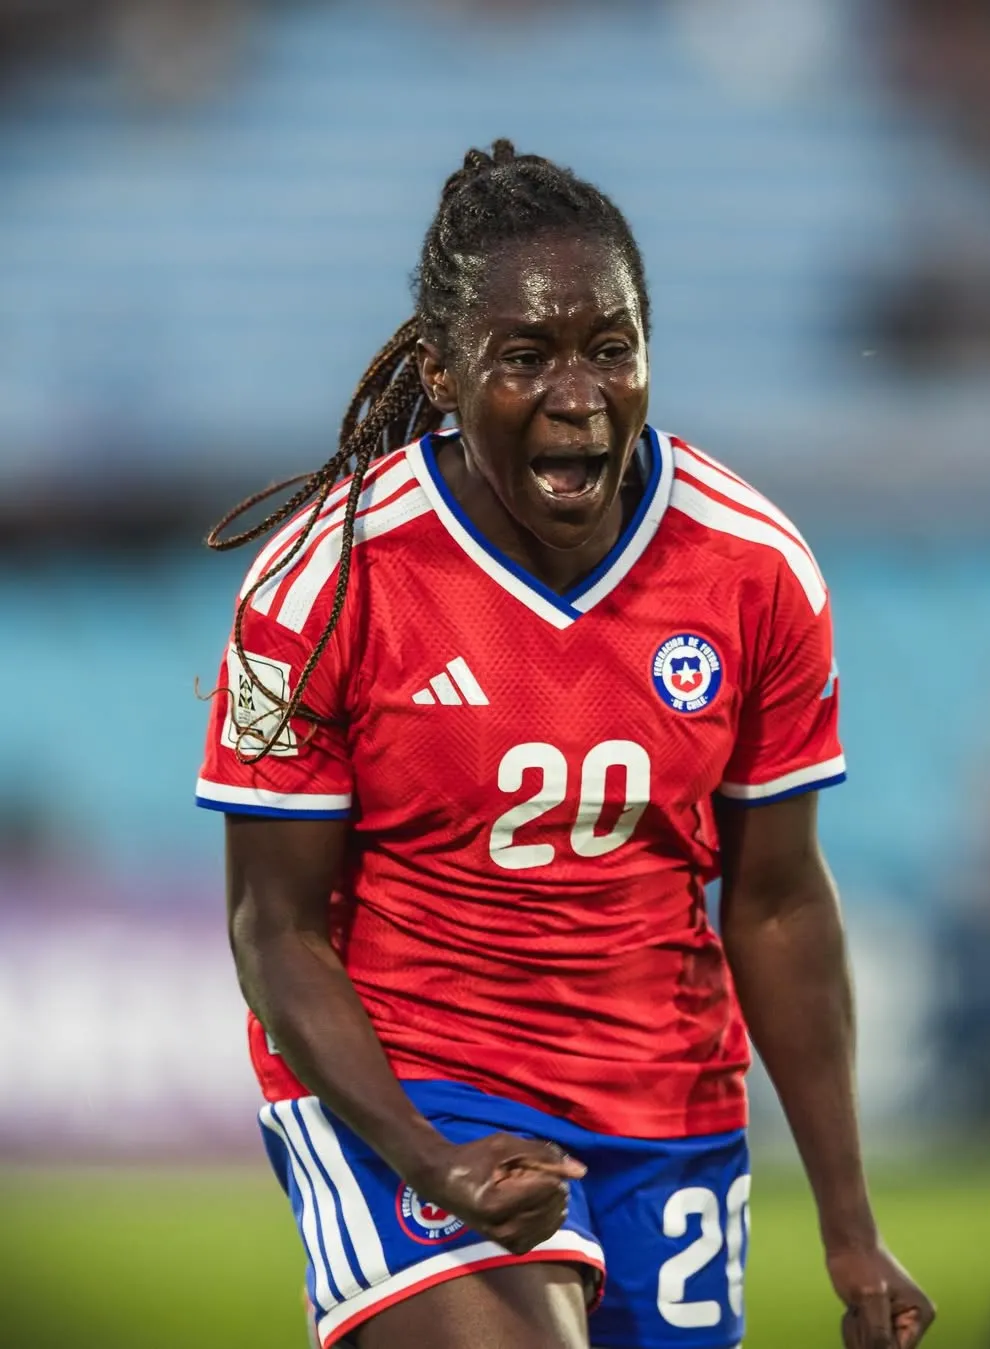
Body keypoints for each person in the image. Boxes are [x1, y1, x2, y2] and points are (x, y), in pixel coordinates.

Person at [196, 140, 935, 1349]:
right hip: (415, 1076)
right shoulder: (323, 583)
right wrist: (426, 1156)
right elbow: (271, 929)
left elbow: (779, 900)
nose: (580, 393)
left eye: (613, 347)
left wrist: (850, 1225)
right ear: (441, 371)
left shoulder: (755, 570)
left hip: (662, 1101)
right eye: (526, 357)